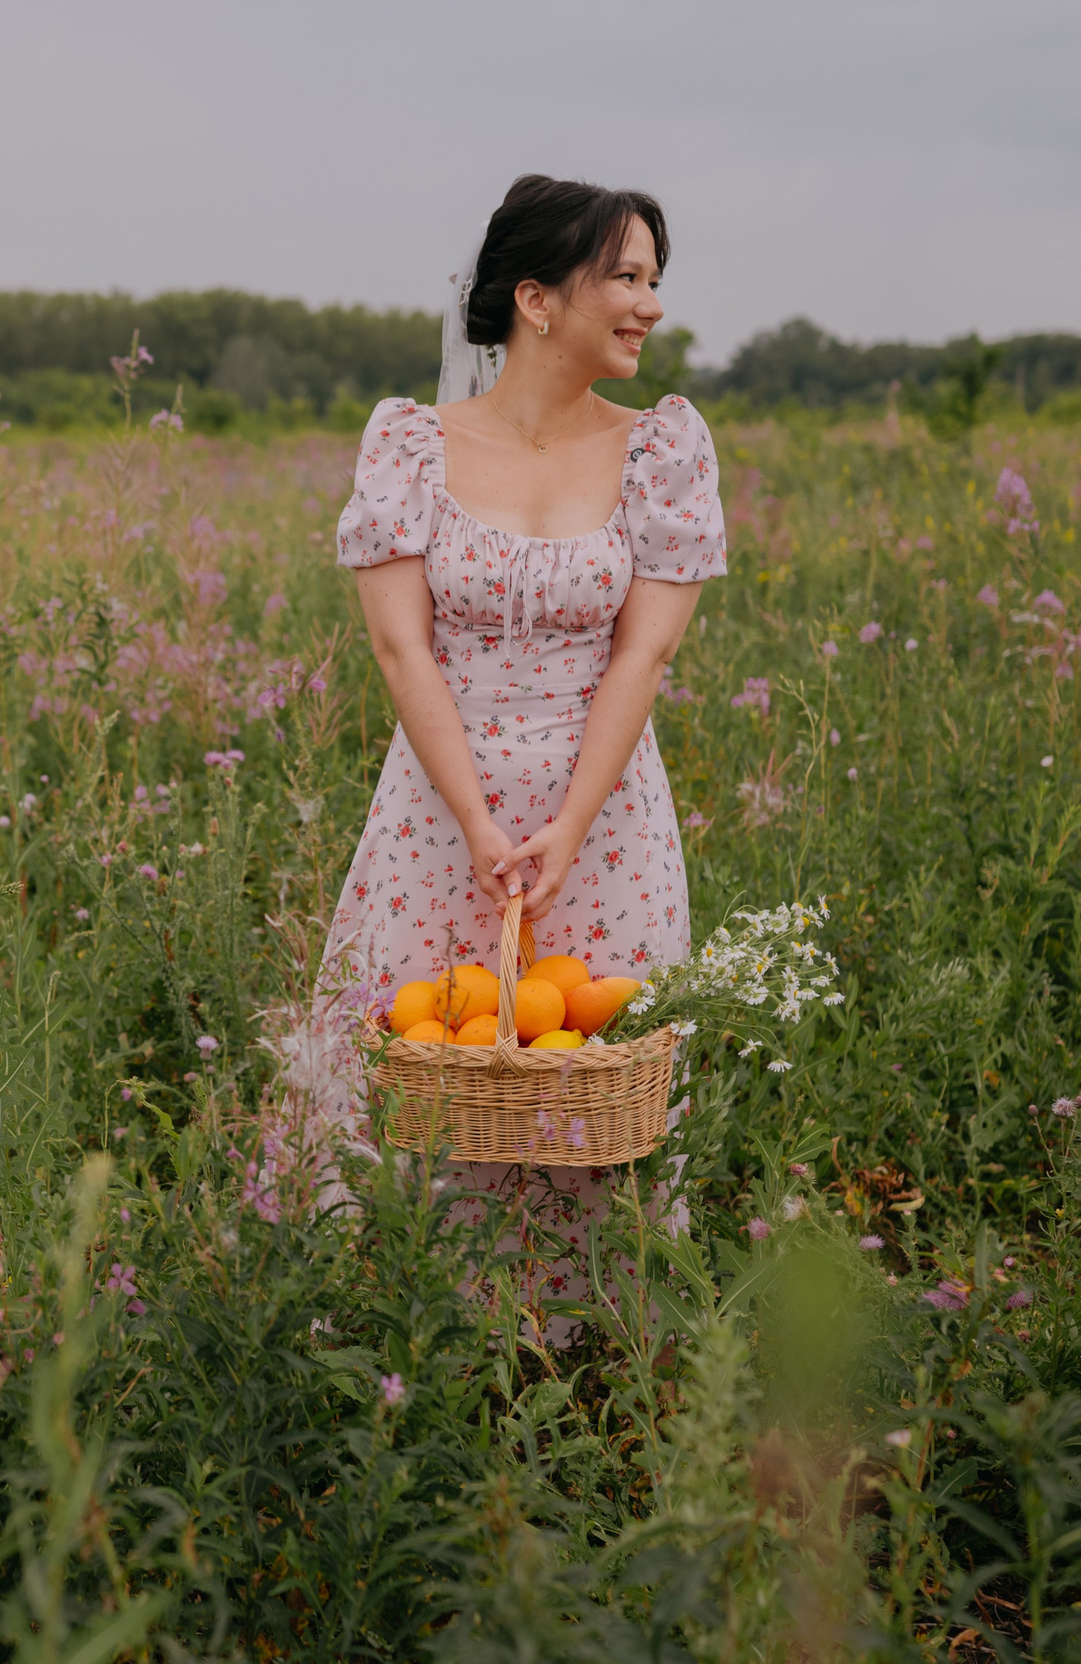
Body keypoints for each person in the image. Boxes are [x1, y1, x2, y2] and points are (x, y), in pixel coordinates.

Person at [324, 174, 726, 1332]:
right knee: (427, 1078)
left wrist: (568, 824)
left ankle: (585, 1362)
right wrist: (479, 822)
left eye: (656, 278)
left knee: (591, 1083)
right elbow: (404, 653)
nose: (649, 305)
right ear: (538, 300)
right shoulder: (411, 443)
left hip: (602, 814)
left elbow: (640, 661)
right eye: (627, 277)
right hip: (440, 813)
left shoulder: (662, 449)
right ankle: (417, 1341)